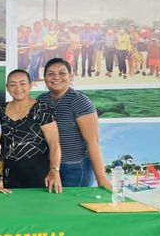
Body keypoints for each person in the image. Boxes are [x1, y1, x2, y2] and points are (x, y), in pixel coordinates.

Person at [38, 58, 111, 189]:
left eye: (62, 73)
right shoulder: (41, 100)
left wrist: (101, 178)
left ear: (70, 76)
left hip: (75, 168)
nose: (56, 77)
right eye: (50, 74)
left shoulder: (80, 101)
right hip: (49, 167)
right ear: (44, 78)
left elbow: (93, 142)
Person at [0, 69, 62, 192]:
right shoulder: (0, 110)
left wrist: (54, 170)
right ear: (7, 87)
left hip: (38, 172)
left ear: (30, 85)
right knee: (11, 203)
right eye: (12, 84)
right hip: (10, 173)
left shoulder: (42, 109)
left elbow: (54, 144)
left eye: (22, 83)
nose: (18, 88)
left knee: (37, 204)